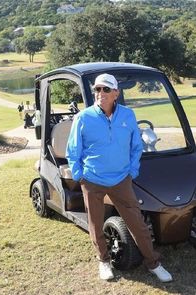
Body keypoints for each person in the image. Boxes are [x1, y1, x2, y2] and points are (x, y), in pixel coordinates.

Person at [66, 73, 173, 282]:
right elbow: (73, 150)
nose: (101, 93)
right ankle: (104, 261)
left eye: (106, 89)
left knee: (137, 224)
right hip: (93, 180)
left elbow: (136, 146)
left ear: (116, 92)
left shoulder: (127, 115)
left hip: (121, 179)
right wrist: (80, 176)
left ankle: (153, 263)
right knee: (96, 224)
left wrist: (132, 171)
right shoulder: (83, 117)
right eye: (97, 89)